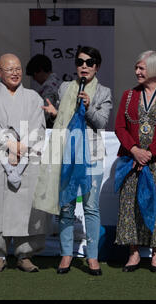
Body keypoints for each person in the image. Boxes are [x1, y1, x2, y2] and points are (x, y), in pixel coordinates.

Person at [34, 46, 112, 276]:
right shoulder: (66, 87)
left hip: (92, 156)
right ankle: (66, 254)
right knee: (66, 206)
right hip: (66, 153)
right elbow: (66, 119)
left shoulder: (104, 92)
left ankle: (92, 257)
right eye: (80, 62)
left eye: (89, 62)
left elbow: (101, 122)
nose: (84, 66)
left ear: (96, 67)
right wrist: (55, 114)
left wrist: (88, 107)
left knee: (91, 207)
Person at [0, 53, 47, 273]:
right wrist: (11, 144)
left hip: (26, 158)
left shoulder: (33, 98)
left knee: (25, 206)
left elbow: (38, 128)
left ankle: (25, 254)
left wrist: (22, 147)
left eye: (18, 69)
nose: (15, 73)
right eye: (9, 69)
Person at [114, 50, 156, 273]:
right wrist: (134, 150)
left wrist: (149, 153)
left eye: (141, 68)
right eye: (136, 68)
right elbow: (120, 127)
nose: (137, 72)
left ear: (153, 69)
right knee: (131, 205)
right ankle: (133, 253)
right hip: (131, 160)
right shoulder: (129, 95)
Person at [26, 54, 61, 128]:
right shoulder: (59, 83)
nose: (34, 79)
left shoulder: (48, 88)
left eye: (34, 75)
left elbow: (45, 115)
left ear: (41, 70)